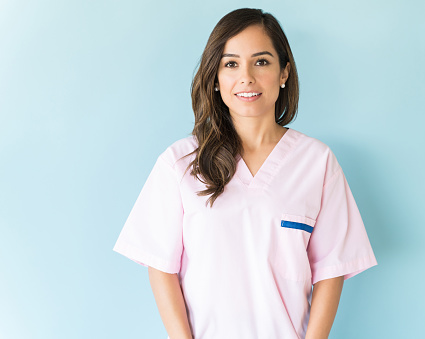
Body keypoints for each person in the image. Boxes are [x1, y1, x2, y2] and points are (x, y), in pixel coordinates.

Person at [113, 8, 377, 339]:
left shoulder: (318, 162)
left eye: (262, 61)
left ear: (284, 73)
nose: (246, 77)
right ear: (215, 78)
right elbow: (161, 266)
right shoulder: (180, 162)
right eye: (231, 63)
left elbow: (331, 270)